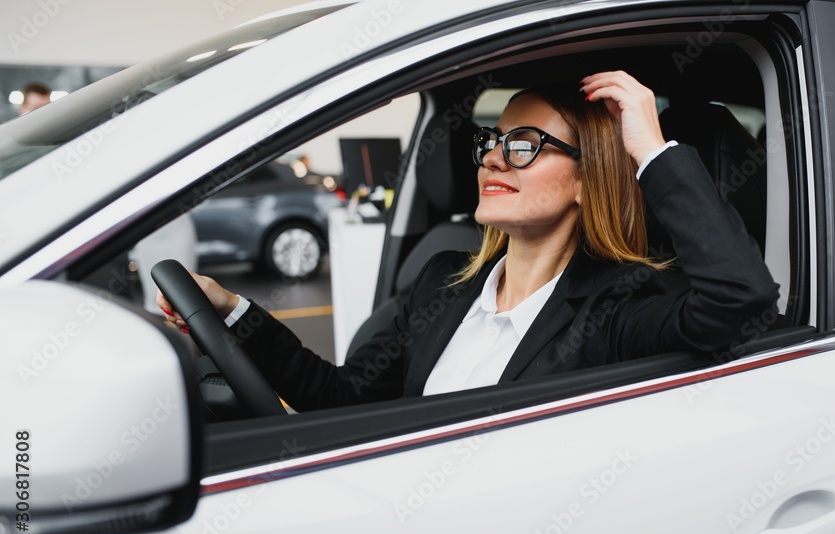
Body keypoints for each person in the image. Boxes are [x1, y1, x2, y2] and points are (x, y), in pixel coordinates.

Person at [159, 71, 779, 412]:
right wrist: (231, 310)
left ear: (588, 183)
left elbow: (739, 298)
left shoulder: (618, 306)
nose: (493, 161)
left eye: (524, 144)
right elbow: (341, 397)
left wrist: (649, 150)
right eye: (491, 140)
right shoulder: (442, 281)